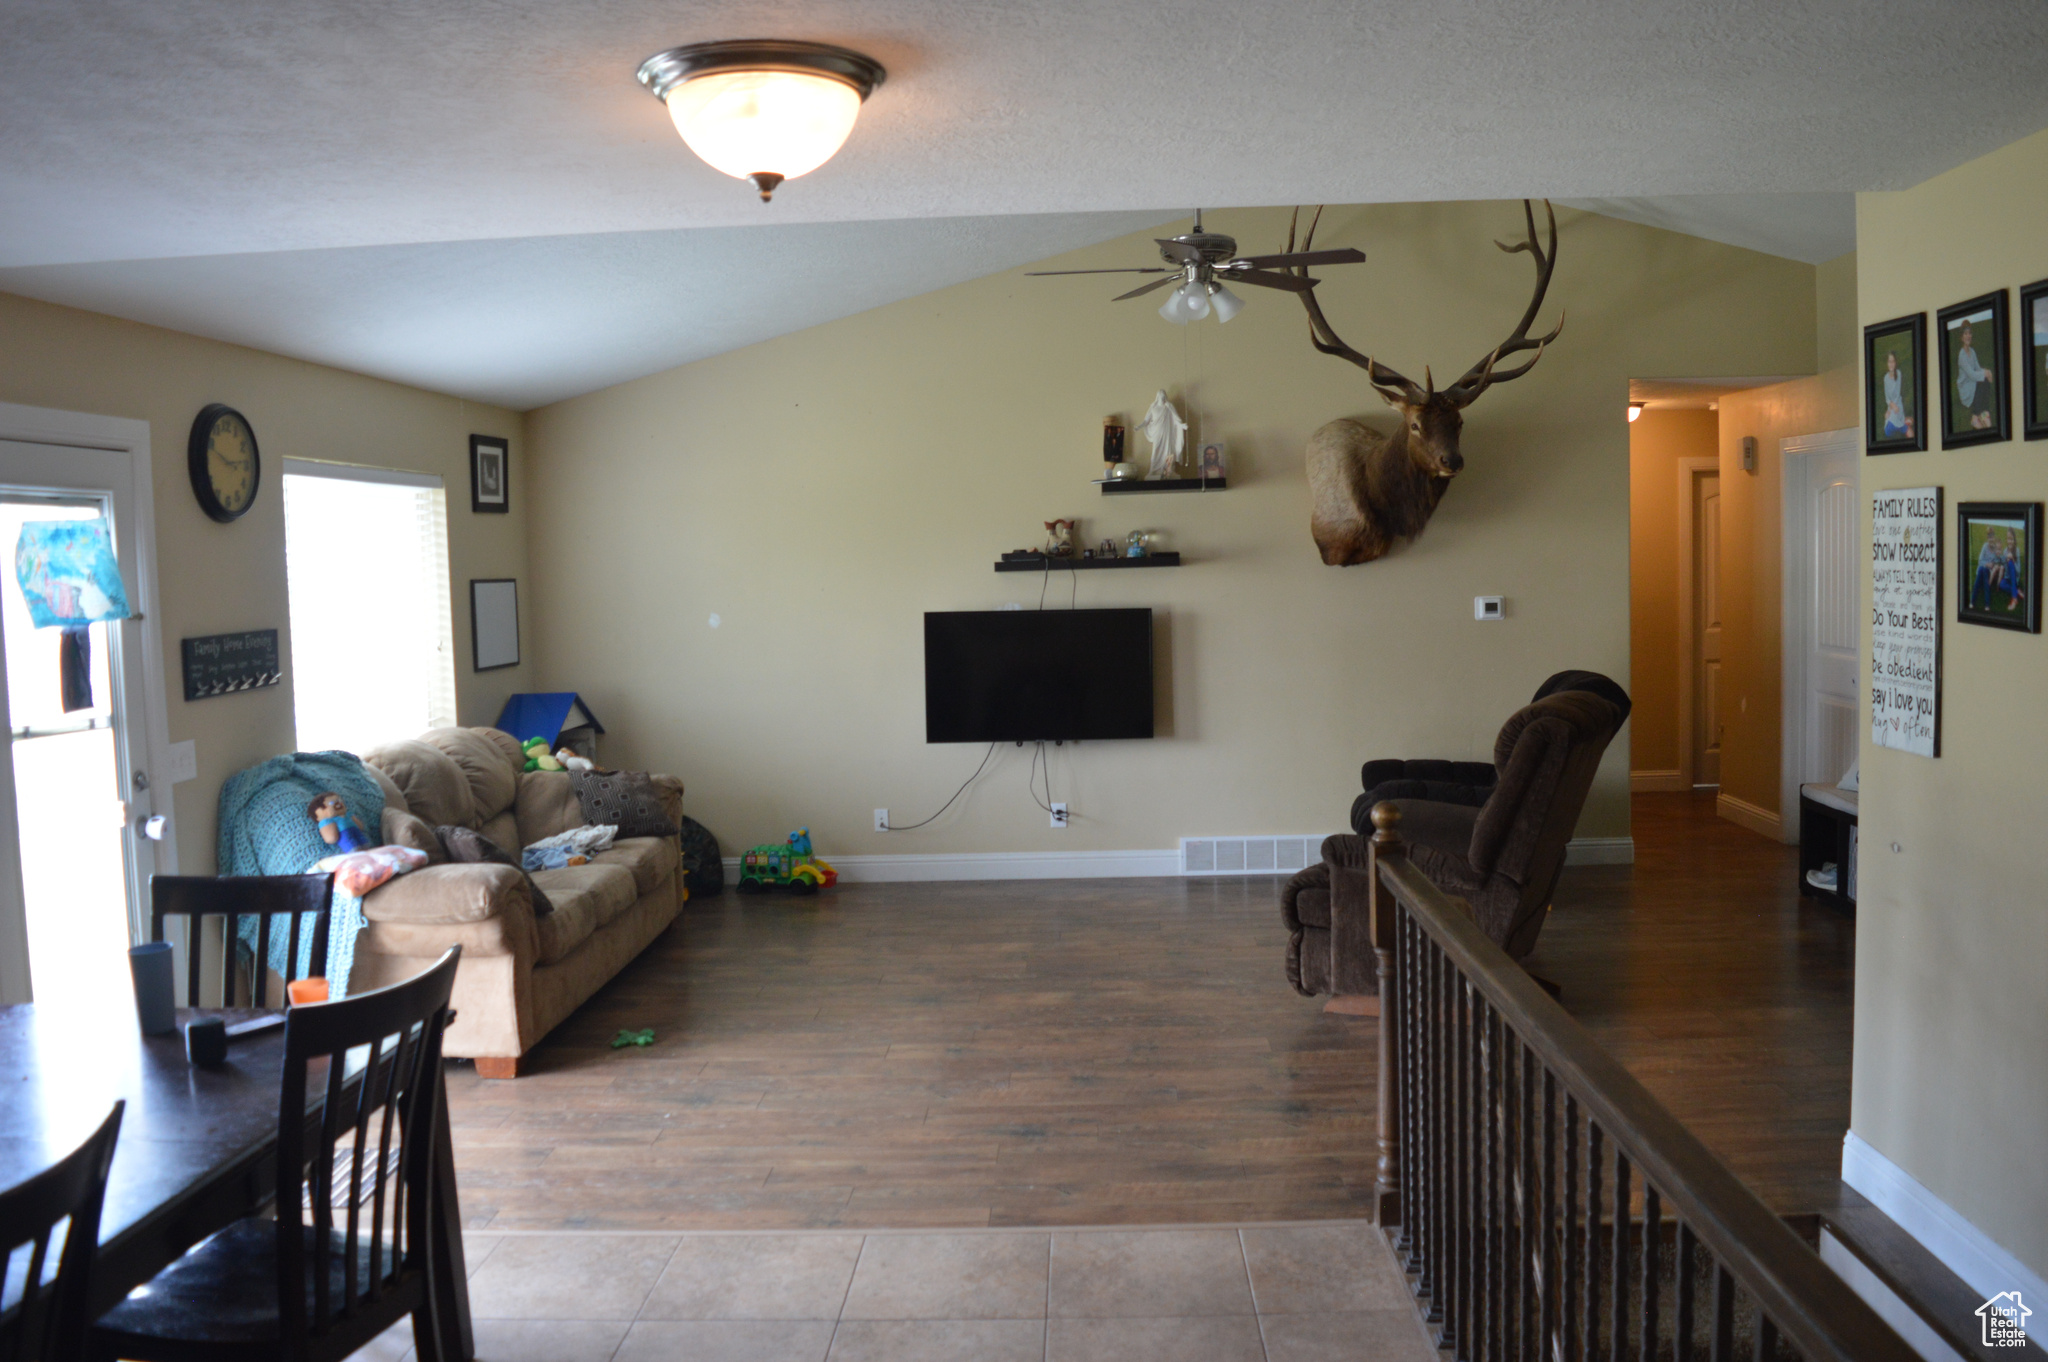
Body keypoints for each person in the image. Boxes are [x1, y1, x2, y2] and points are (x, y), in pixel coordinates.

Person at [1954, 321, 1995, 430]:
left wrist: (1987, 372)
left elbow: (1977, 368)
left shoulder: (1972, 351)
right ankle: (1978, 414)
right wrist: (1984, 374)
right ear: (1962, 337)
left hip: (1972, 382)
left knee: (1984, 378)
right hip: (1966, 387)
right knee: (1982, 380)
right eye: (1965, 334)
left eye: (1969, 334)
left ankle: (1980, 414)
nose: (1968, 336)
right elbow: (1971, 374)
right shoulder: (1961, 355)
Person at [1881, 349, 1913, 439]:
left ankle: (1905, 421)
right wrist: (1890, 407)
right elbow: (1887, 398)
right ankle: (1906, 421)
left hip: (1898, 406)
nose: (1891, 364)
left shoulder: (1898, 374)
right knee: (1888, 430)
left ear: (1895, 363)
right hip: (1892, 407)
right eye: (1889, 361)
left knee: (1905, 428)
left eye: (1893, 361)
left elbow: (1897, 394)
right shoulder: (1885, 378)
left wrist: (1894, 407)